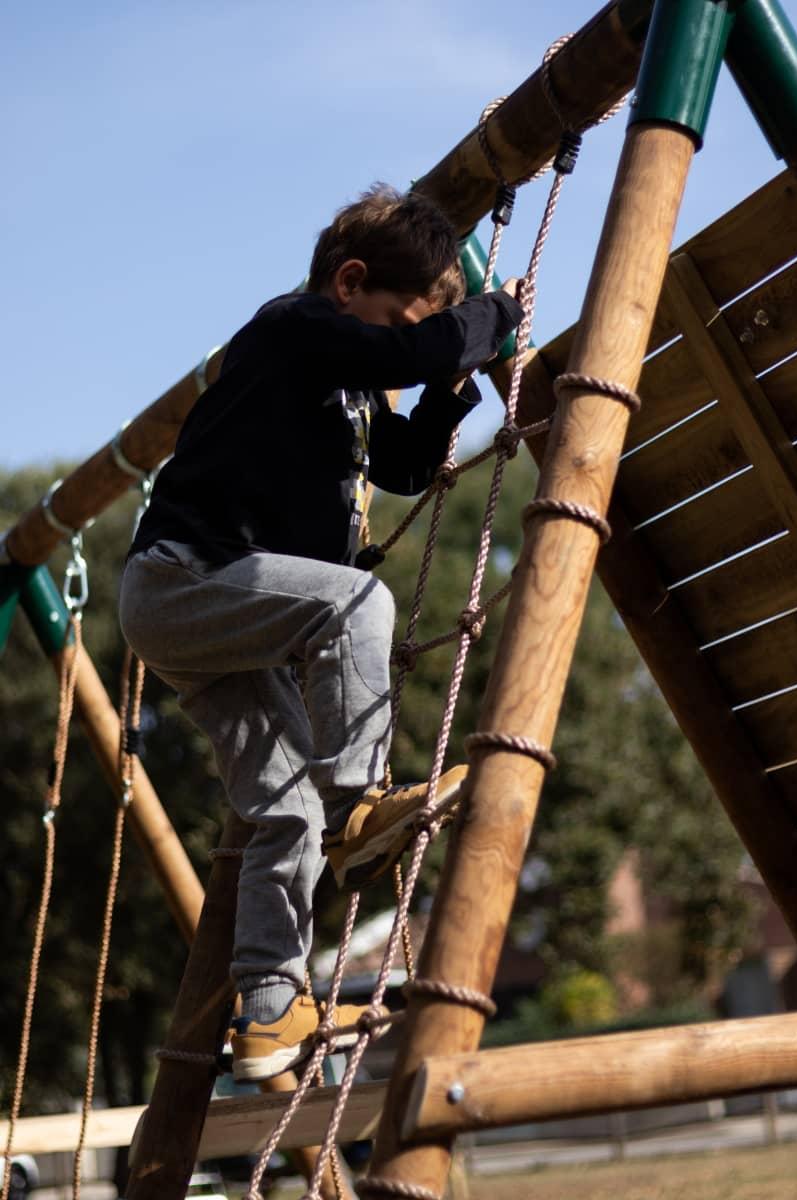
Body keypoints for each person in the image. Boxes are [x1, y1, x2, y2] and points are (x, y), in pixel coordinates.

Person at [119, 184, 523, 1080]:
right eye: (395, 326)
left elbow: (407, 465)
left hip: (226, 619)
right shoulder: (292, 330)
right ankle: (361, 804)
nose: (397, 359)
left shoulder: (353, 388)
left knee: (281, 808)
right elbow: (420, 345)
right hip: (186, 580)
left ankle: (267, 1010)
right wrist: (495, 312)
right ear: (348, 285)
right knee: (354, 602)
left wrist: (451, 393)